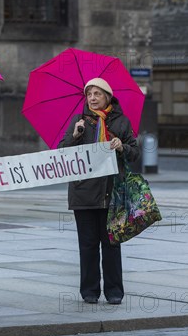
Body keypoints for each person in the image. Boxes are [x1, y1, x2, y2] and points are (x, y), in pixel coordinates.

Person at [57, 78, 140, 305]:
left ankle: (114, 292)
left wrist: (122, 146)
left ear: (107, 96)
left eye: (97, 94)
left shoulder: (121, 122)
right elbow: (62, 153)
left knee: (112, 244)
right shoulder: (79, 121)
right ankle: (90, 291)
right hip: (83, 192)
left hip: (112, 192)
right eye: (89, 95)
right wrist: (74, 136)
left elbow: (135, 152)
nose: (92, 99)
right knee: (88, 245)